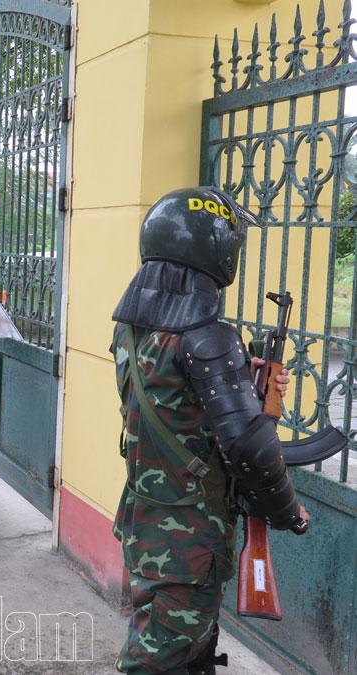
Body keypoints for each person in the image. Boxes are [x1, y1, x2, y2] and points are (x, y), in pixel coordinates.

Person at [110, 187, 309, 674]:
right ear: (217, 253)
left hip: (146, 520)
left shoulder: (130, 333)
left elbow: (175, 400)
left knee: (186, 651)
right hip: (189, 543)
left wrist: (242, 377)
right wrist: (289, 512)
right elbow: (252, 449)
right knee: (158, 661)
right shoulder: (208, 339)